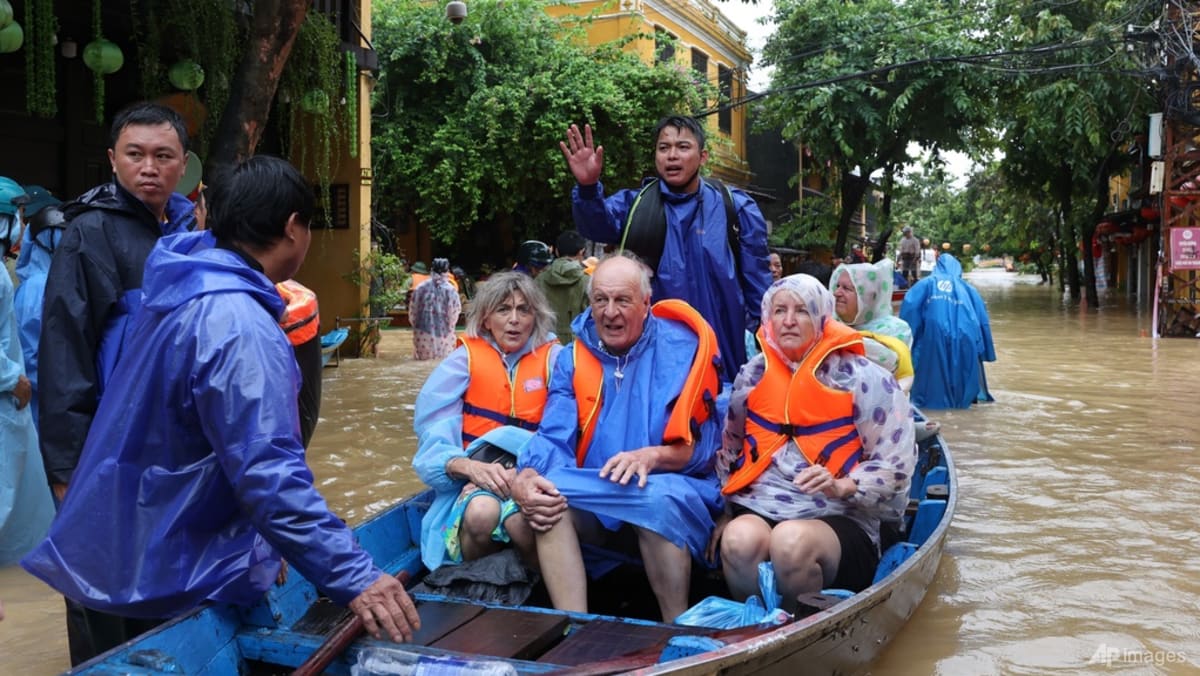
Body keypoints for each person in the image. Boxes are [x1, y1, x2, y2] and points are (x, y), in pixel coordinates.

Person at [22, 156, 420, 659]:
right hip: (162, 570)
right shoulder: (239, 325)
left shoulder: (177, 284)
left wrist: (260, 543)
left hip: (115, 547)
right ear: (293, 228)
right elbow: (267, 473)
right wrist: (357, 577)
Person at [511, 254, 723, 622]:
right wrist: (527, 475)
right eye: (601, 300)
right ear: (590, 304)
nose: (610, 312)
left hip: (670, 492)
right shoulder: (574, 357)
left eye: (622, 300)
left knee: (654, 498)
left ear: (646, 304)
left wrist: (652, 457)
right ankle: (575, 629)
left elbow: (706, 450)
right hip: (599, 495)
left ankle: (677, 627)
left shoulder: (685, 348)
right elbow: (554, 434)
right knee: (546, 498)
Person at [710, 274, 915, 609]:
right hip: (764, 504)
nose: (789, 321)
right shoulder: (752, 375)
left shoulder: (862, 378)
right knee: (737, 540)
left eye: (802, 311)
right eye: (780, 310)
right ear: (767, 317)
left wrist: (843, 485)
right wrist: (725, 511)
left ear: (822, 316)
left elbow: (897, 467)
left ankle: (799, 629)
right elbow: (731, 451)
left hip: (841, 514)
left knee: (790, 543)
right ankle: (759, 630)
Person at [38, 102, 198, 507]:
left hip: (183, 440)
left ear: (183, 164)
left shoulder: (190, 236)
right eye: (134, 154)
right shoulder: (89, 234)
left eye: (163, 156)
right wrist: (66, 467)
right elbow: (64, 350)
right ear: (112, 160)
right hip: (117, 442)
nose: (149, 167)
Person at [561, 117, 772, 383]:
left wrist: (770, 356)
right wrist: (589, 189)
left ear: (703, 156)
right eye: (664, 148)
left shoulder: (736, 208)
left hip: (723, 358)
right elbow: (596, 226)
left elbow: (761, 294)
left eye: (683, 147)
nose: (672, 155)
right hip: (650, 363)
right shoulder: (634, 205)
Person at [412, 271, 561, 572]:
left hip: (539, 472)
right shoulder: (462, 361)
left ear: (537, 317)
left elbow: (570, 434)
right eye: (503, 309)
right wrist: (469, 469)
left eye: (524, 309)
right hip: (477, 476)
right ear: (485, 319)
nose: (514, 319)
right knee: (481, 514)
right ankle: (482, 580)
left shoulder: (556, 359)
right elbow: (432, 437)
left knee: (523, 522)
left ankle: (540, 587)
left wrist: (523, 474)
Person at [1, 190, 55, 567]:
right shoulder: (26, 284)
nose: (22, 222)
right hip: (11, 396)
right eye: (18, 213)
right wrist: (12, 379)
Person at [900, 253, 996, 409]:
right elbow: (982, 322)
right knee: (962, 389)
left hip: (932, 339)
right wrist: (986, 352)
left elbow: (909, 317)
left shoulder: (924, 285)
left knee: (931, 386)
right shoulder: (969, 290)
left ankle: (934, 411)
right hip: (966, 340)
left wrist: (905, 347)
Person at [830, 259, 915, 392]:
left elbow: (890, 363)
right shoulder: (828, 324)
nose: (837, 293)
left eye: (846, 288)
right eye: (837, 286)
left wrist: (840, 338)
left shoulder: (896, 329)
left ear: (869, 297)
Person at [537, 230, 590, 344]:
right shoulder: (587, 281)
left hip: (544, 344)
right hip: (577, 347)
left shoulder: (539, 279)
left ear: (556, 251)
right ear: (582, 251)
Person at [409, 257, 462, 360]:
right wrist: (448, 327)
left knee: (422, 361)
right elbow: (454, 314)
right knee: (442, 363)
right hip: (444, 334)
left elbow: (413, 311)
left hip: (422, 332)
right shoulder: (451, 290)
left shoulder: (420, 288)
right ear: (447, 271)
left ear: (431, 270)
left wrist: (416, 326)